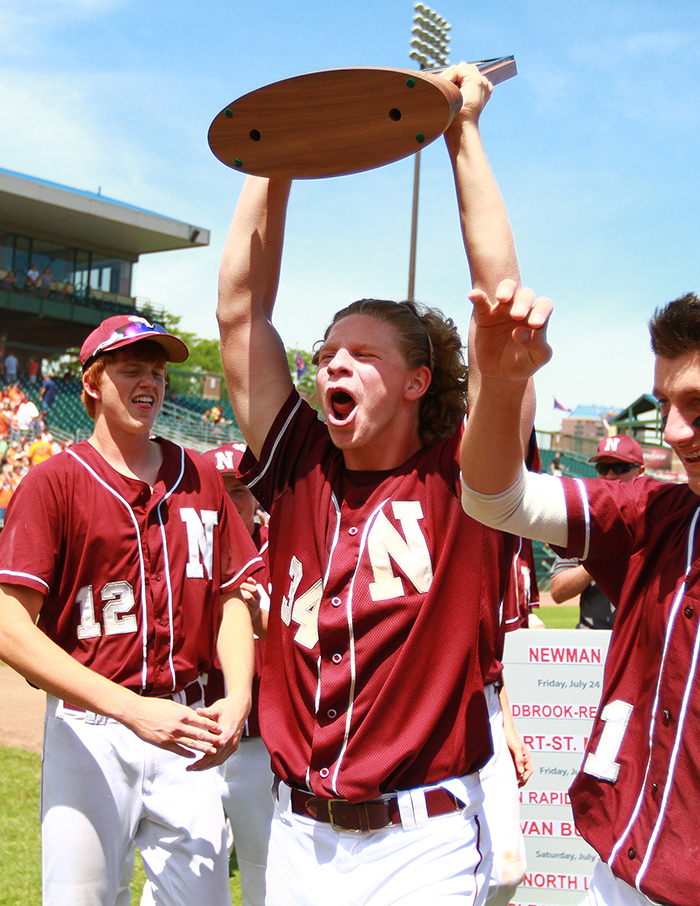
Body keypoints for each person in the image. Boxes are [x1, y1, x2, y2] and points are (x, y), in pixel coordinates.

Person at [217, 63, 532, 906]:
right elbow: (241, 316)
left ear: (420, 381)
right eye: (325, 356)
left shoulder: (463, 477)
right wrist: (270, 155)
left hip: (418, 846)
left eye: (360, 355)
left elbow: (499, 312)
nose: (331, 367)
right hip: (293, 837)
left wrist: (463, 131)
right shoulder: (298, 461)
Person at [0, 313, 264, 906]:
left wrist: (240, 697)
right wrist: (130, 710)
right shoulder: (52, 483)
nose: (150, 383)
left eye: (157, 371)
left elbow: (232, 599)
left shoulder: (198, 475)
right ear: (91, 382)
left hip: (190, 722)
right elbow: (8, 625)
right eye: (131, 369)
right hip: (90, 728)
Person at [460, 285, 700, 906]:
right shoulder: (660, 511)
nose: (674, 432)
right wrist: (500, 380)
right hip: (620, 872)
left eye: (698, 404)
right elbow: (496, 496)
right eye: (668, 403)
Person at [201, 442, 274, 906]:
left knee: (265, 878)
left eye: (243, 490)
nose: (233, 501)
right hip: (195, 743)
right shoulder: (180, 555)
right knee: (183, 880)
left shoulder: (290, 548)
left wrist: (260, 615)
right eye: (221, 490)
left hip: (262, 748)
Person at [550, 435, 645, 630]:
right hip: (592, 640)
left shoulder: (659, 518)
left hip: (641, 641)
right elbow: (558, 591)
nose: (610, 475)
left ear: (640, 472)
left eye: (620, 467)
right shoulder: (583, 520)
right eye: (603, 468)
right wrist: (600, 557)